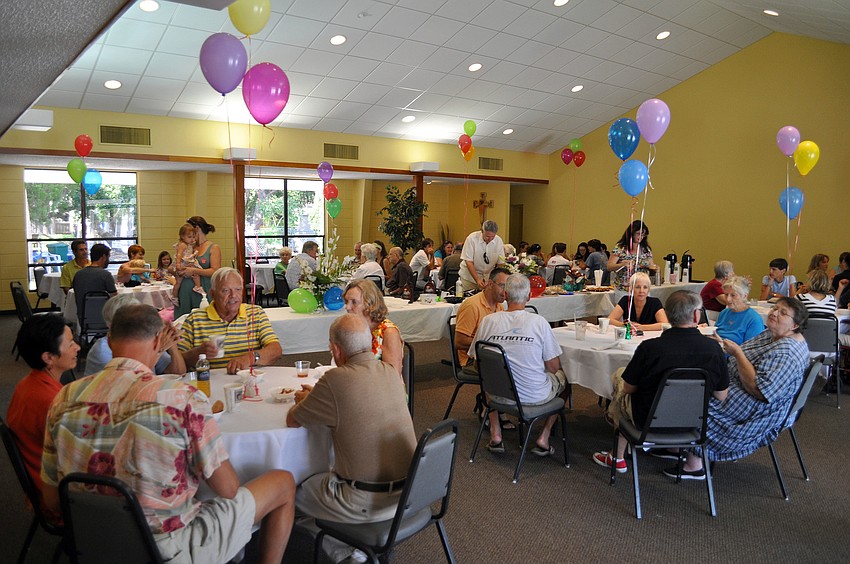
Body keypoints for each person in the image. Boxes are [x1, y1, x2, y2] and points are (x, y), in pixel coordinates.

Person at [40, 304, 295, 563]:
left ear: (109, 339)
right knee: (282, 482)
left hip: (92, 541)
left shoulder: (64, 396)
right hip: (167, 547)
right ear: (158, 341)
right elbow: (227, 489)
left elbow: (52, 499)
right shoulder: (180, 397)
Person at [287, 314, 415, 562]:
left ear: (335, 349)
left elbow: (293, 420)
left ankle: (345, 550)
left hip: (362, 501)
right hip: (409, 496)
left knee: (291, 493)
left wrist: (309, 400)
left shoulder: (334, 380)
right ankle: (353, 546)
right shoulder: (390, 372)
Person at [670, 298, 809, 479]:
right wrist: (724, 346)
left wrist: (737, 354)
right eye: (775, 308)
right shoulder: (773, 334)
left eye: (783, 313)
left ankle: (694, 464)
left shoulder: (787, 352)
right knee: (692, 383)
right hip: (741, 389)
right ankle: (678, 444)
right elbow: (746, 354)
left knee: (692, 397)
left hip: (754, 410)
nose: (774, 313)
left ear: (794, 325)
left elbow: (759, 390)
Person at [592, 291, 729, 474]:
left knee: (620, 382)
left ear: (669, 316)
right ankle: (673, 450)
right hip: (694, 422)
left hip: (648, 420)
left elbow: (629, 388)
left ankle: (617, 456)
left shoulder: (650, 348)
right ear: (697, 315)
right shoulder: (714, 349)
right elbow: (721, 395)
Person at [469, 274, 568, 456]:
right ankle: (544, 437)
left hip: (497, 397)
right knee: (565, 379)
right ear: (529, 296)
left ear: (505, 295)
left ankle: (496, 434)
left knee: (489, 376)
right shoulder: (539, 323)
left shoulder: (488, 322)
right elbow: (553, 367)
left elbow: (479, 365)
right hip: (533, 396)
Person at [6, 314, 79, 506]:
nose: (77, 347)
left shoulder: (28, 384)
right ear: (48, 357)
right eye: (70, 344)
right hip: (57, 495)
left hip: (45, 482)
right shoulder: (50, 400)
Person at [179, 267, 282, 373]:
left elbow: (275, 350)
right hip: (209, 384)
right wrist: (197, 353)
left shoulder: (255, 313)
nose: (233, 295)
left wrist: (249, 358)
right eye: (226, 290)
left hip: (248, 381)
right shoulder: (195, 319)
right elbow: (176, 362)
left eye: (238, 289)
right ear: (212, 294)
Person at [85, 293, 186, 376]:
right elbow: (132, 382)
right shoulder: (102, 350)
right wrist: (159, 350)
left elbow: (178, 373)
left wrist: (171, 342)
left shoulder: (145, 338)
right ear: (111, 324)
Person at [343, 279, 403, 375]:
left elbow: (393, 377)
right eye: (346, 301)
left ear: (370, 304)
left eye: (354, 302)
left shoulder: (388, 332)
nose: (347, 307)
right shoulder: (353, 328)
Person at [455, 267, 509, 369]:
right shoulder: (472, 306)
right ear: (490, 284)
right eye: (502, 286)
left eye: (508, 287)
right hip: (472, 359)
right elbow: (459, 342)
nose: (505, 292)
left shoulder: (499, 306)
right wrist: (491, 343)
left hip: (492, 354)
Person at [174, 216, 221, 317]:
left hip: (202, 290)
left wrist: (194, 270)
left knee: (202, 319)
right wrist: (177, 270)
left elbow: (215, 271)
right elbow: (172, 266)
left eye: (190, 232)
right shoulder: (188, 247)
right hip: (185, 291)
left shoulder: (213, 247)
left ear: (197, 229)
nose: (189, 235)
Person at [71, 243, 117, 324]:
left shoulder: (78, 275)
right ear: (104, 257)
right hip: (103, 320)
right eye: (108, 257)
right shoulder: (105, 275)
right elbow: (114, 299)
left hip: (83, 320)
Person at [607, 220, 657, 291]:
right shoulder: (620, 248)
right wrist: (622, 264)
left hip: (642, 288)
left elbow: (652, 265)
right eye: (638, 234)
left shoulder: (646, 249)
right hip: (624, 288)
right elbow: (609, 266)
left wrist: (653, 268)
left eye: (643, 234)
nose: (641, 237)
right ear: (632, 233)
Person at [715, 276, 765, 345]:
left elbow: (750, 350)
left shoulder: (754, 319)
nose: (728, 299)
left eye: (733, 295)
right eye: (726, 295)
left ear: (744, 296)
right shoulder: (724, 313)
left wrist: (722, 343)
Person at [460, 221, 505, 290]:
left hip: (487, 277)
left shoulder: (498, 241)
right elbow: (468, 261)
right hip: (469, 277)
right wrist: (477, 279)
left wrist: (495, 279)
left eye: (492, 237)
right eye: (487, 236)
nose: (490, 239)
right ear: (482, 231)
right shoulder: (471, 238)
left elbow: (500, 263)